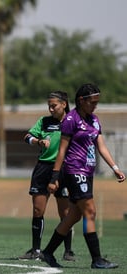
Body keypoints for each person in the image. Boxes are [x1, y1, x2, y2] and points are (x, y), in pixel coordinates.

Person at [41, 83, 125, 269]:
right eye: (92, 102)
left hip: (88, 172)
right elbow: (62, 151)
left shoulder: (94, 120)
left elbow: (101, 145)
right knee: (90, 211)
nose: (95, 105)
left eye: (97, 102)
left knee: (74, 216)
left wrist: (115, 167)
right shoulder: (71, 119)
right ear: (81, 101)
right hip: (74, 171)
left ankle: (47, 252)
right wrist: (55, 177)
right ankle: (97, 259)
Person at [19, 91, 75, 261]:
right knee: (37, 210)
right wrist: (38, 141)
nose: (51, 109)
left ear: (64, 104)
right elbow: (27, 137)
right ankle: (36, 250)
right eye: (49, 106)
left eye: (54, 106)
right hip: (43, 168)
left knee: (65, 212)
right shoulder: (44, 122)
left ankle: (68, 250)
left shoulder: (73, 121)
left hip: (64, 170)